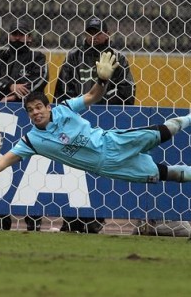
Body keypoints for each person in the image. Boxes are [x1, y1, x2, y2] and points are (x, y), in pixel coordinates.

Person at [0, 53, 191, 217]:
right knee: (171, 175)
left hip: (112, 142)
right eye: (31, 110)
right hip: (109, 166)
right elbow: (2, 162)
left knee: (163, 130)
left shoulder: (64, 109)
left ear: (49, 106)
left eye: (39, 107)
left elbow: (91, 97)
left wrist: (102, 79)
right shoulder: (31, 141)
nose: (36, 113)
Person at [53, 16, 136, 233]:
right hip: (76, 122)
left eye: (98, 33)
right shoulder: (73, 57)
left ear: (107, 34)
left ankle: (95, 217)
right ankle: (70, 218)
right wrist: (73, 109)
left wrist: (100, 104)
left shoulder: (118, 58)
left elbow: (127, 92)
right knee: (72, 167)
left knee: (99, 167)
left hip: (105, 122)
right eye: (90, 32)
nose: (93, 37)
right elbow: (62, 89)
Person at [0, 17, 49, 231]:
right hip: (0, 114)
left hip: (28, 116)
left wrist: (17, 97)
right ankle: (0, 216)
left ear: (30, 37)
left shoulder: (38, 57)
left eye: (22, 34)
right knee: (0, 162)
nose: (18, 37)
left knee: (32, 164)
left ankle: (33, 217)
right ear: (9, 35)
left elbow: (42, 80)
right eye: (15, 34)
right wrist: (9, 86)